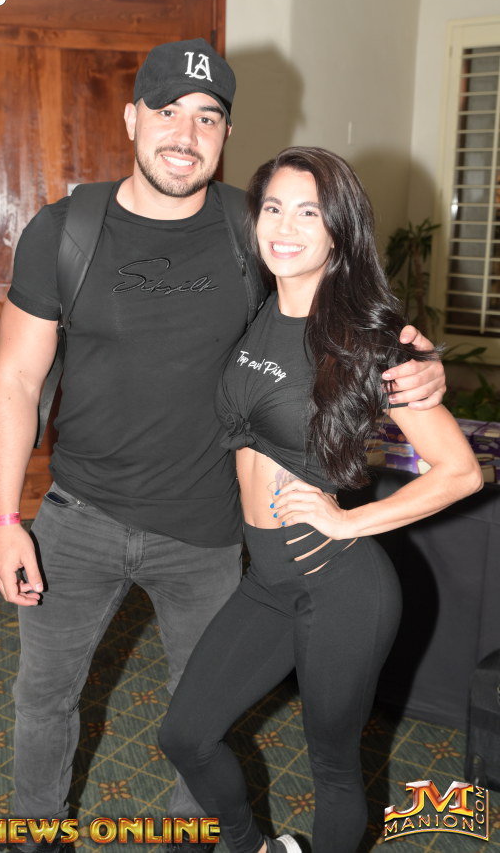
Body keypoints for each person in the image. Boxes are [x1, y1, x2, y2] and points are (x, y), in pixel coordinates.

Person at [0, 40, 447, 853]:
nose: (185, 133)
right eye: (166, 111)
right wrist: (1, 518)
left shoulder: (254, 228)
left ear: (226, 134)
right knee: (42, 700)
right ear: (132, 118)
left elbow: (335, 295)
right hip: (77, 519)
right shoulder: (65, 229)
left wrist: (415, 359)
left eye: (207, 117)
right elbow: (17, 381)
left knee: (196, 721)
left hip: (208, 533)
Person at [158, 147, 483, 853]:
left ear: (339, 228)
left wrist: (348, 520)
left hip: (341, 587)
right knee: (185, 734)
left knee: (332, 768)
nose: (285, 226)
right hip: (267, 582)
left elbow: (460, 472)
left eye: (309, 212)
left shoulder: (370, 343)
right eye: (274, 208)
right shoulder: (253, 305)